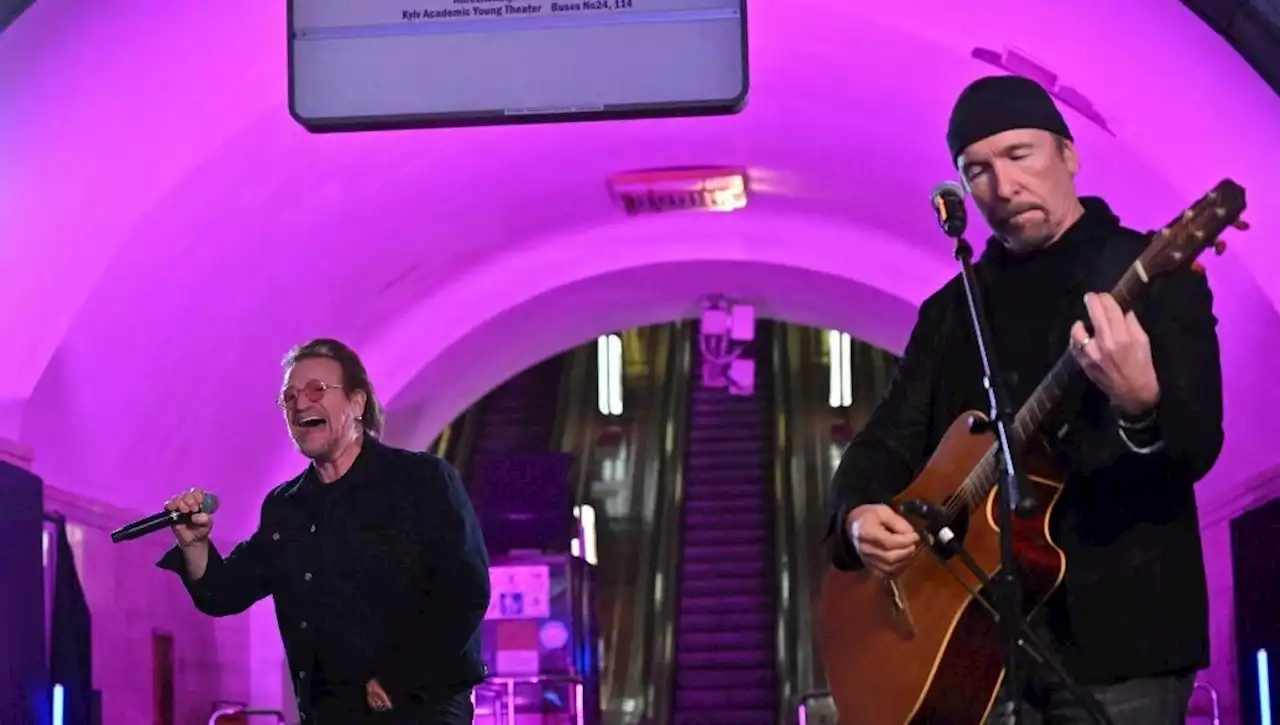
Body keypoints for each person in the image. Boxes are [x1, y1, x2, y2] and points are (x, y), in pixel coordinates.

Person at [828, 75, 1227, 724]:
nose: (1002, 187)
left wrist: (1139, 406)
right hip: (980, 648)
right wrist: (857, 515)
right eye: (976, 170)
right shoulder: (952, 312)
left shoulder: (1154, 270)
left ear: (1068, 154)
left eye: (1020, 155)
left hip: (1124, 640)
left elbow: (1199, 444)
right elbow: (884, 442)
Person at [157, 338, 491, 724]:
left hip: (419, 709)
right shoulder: (287, 508)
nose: (301, 403)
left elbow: (465, 592)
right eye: (290, 395)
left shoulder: (422, 481)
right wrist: (196, 545)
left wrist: (400, 678)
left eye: (317, 389)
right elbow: (224, 593)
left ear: (356, 403)